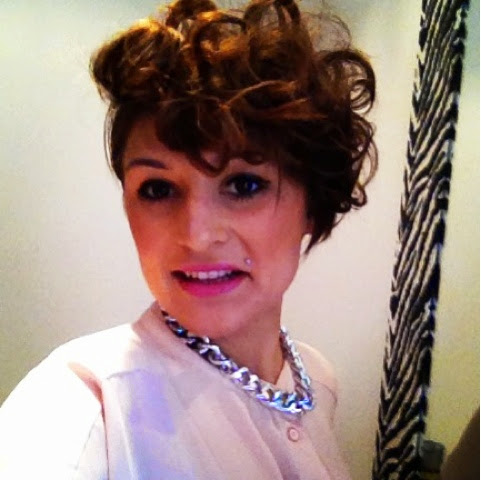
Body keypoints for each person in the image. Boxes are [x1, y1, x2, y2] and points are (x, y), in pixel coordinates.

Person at [0, 0, 376, 478]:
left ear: (314, 205)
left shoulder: (318, 379)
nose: (196, 236)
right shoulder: (83, 401)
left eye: (244, 184)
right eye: (157, 189)